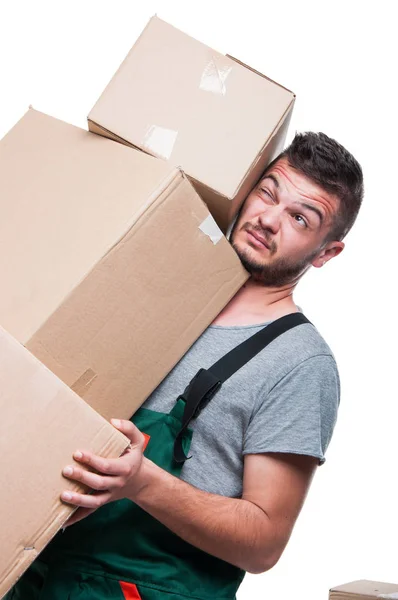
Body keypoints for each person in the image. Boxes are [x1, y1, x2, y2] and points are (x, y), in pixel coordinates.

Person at [7, 132, 363, 600]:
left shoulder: (300, 362)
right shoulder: (159, 295)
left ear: (326, 252)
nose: (268, 219)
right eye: (268, 192)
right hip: (37, 573)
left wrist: (141, 481)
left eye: (299, 218)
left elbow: (265, 542)